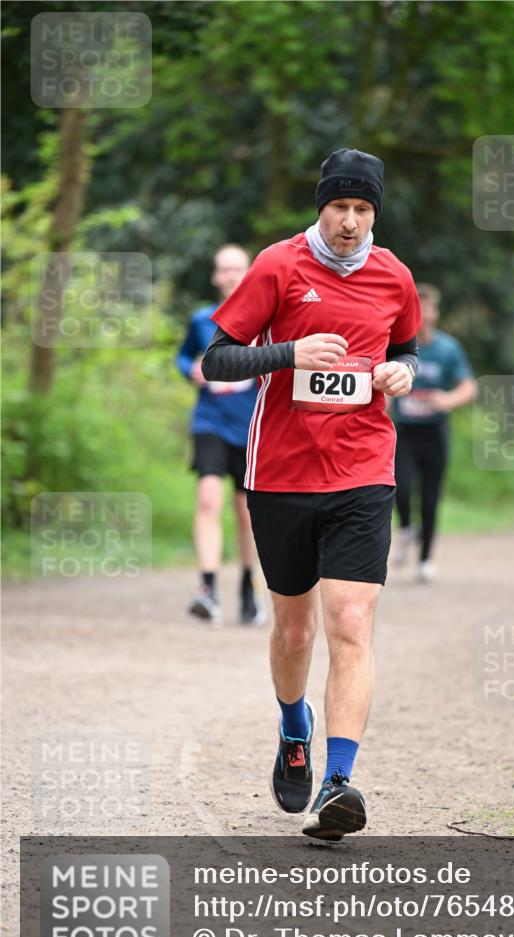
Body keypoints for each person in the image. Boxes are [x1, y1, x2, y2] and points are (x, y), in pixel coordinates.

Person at [201, 148, 421, 840]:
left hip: (363, 469)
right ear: (320, 207)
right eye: (340, 208)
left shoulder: (394, 276)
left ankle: (339, 781)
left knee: (350, 622)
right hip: (282, 476)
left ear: (374, 213)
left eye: (362, 210)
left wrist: (400, 374)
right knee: (294, 629)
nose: (351, 222)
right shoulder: (278, 266)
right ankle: (293, 724)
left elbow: (407, 348)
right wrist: (288, 353)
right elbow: (217, 360)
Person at [176, 244, 266, 625]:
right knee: (208, 500)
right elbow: (183, 356)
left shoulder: (263, 318)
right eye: (224, 269)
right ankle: (208, 588)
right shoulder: (201, 319)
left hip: (249, 424)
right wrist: (190, 370)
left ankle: (248, 587)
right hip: (210, 421)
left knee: (247, 514)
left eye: (237, 269)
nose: (230, 275)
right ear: (215, 276)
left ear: (248, 274)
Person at [392, 283, 477, 581]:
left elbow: (469, 386)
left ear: (436, 313)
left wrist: (448, 399)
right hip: (404, 430)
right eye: (420, 309)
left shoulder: (448, 348)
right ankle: (405, 528)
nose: (425, 315)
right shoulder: (399, 343)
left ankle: (426, 558)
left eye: (430, 309)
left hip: (434, 431)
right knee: (399, 488)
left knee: (430, 497)